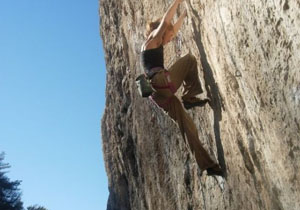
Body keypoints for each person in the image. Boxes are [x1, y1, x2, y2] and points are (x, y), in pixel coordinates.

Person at [140, 0, 223, 176]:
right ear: (161, 33)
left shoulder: (153, 46)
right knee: (189, 60)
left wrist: (185, 15)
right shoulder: (152, 40)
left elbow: (172, 28)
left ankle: (208, 166)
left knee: (187, 127)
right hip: (161, 81)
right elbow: (166, 21)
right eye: (169, 37)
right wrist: (177, 2)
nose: (170, 39)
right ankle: (189, 97)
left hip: (159, 96)